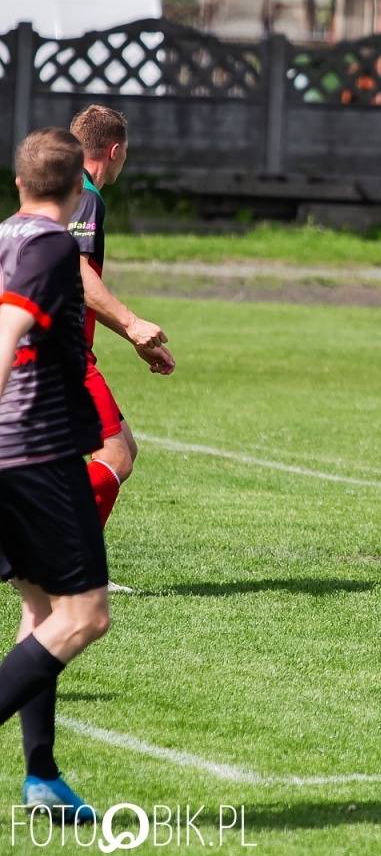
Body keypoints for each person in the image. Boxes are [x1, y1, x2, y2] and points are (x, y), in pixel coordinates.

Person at [0, 128, 114, 822]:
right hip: (36, 455)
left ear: (18, 184)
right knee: (84, 618)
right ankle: (40, 772)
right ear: (78, 192)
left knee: (40, 612)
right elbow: (8, 332)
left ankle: (41, 773)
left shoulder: (2, 237)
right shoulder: (49, 246)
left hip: (15, 456)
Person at [66, 105, 175, 531]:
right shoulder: (87, 197)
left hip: (45, 345)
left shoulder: (58, 190)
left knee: (120, 448)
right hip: (62, 353)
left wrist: (135, 340)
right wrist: (132, 323)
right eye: (127, 151)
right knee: (115, 456)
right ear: (114, 150)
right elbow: (75, 271)